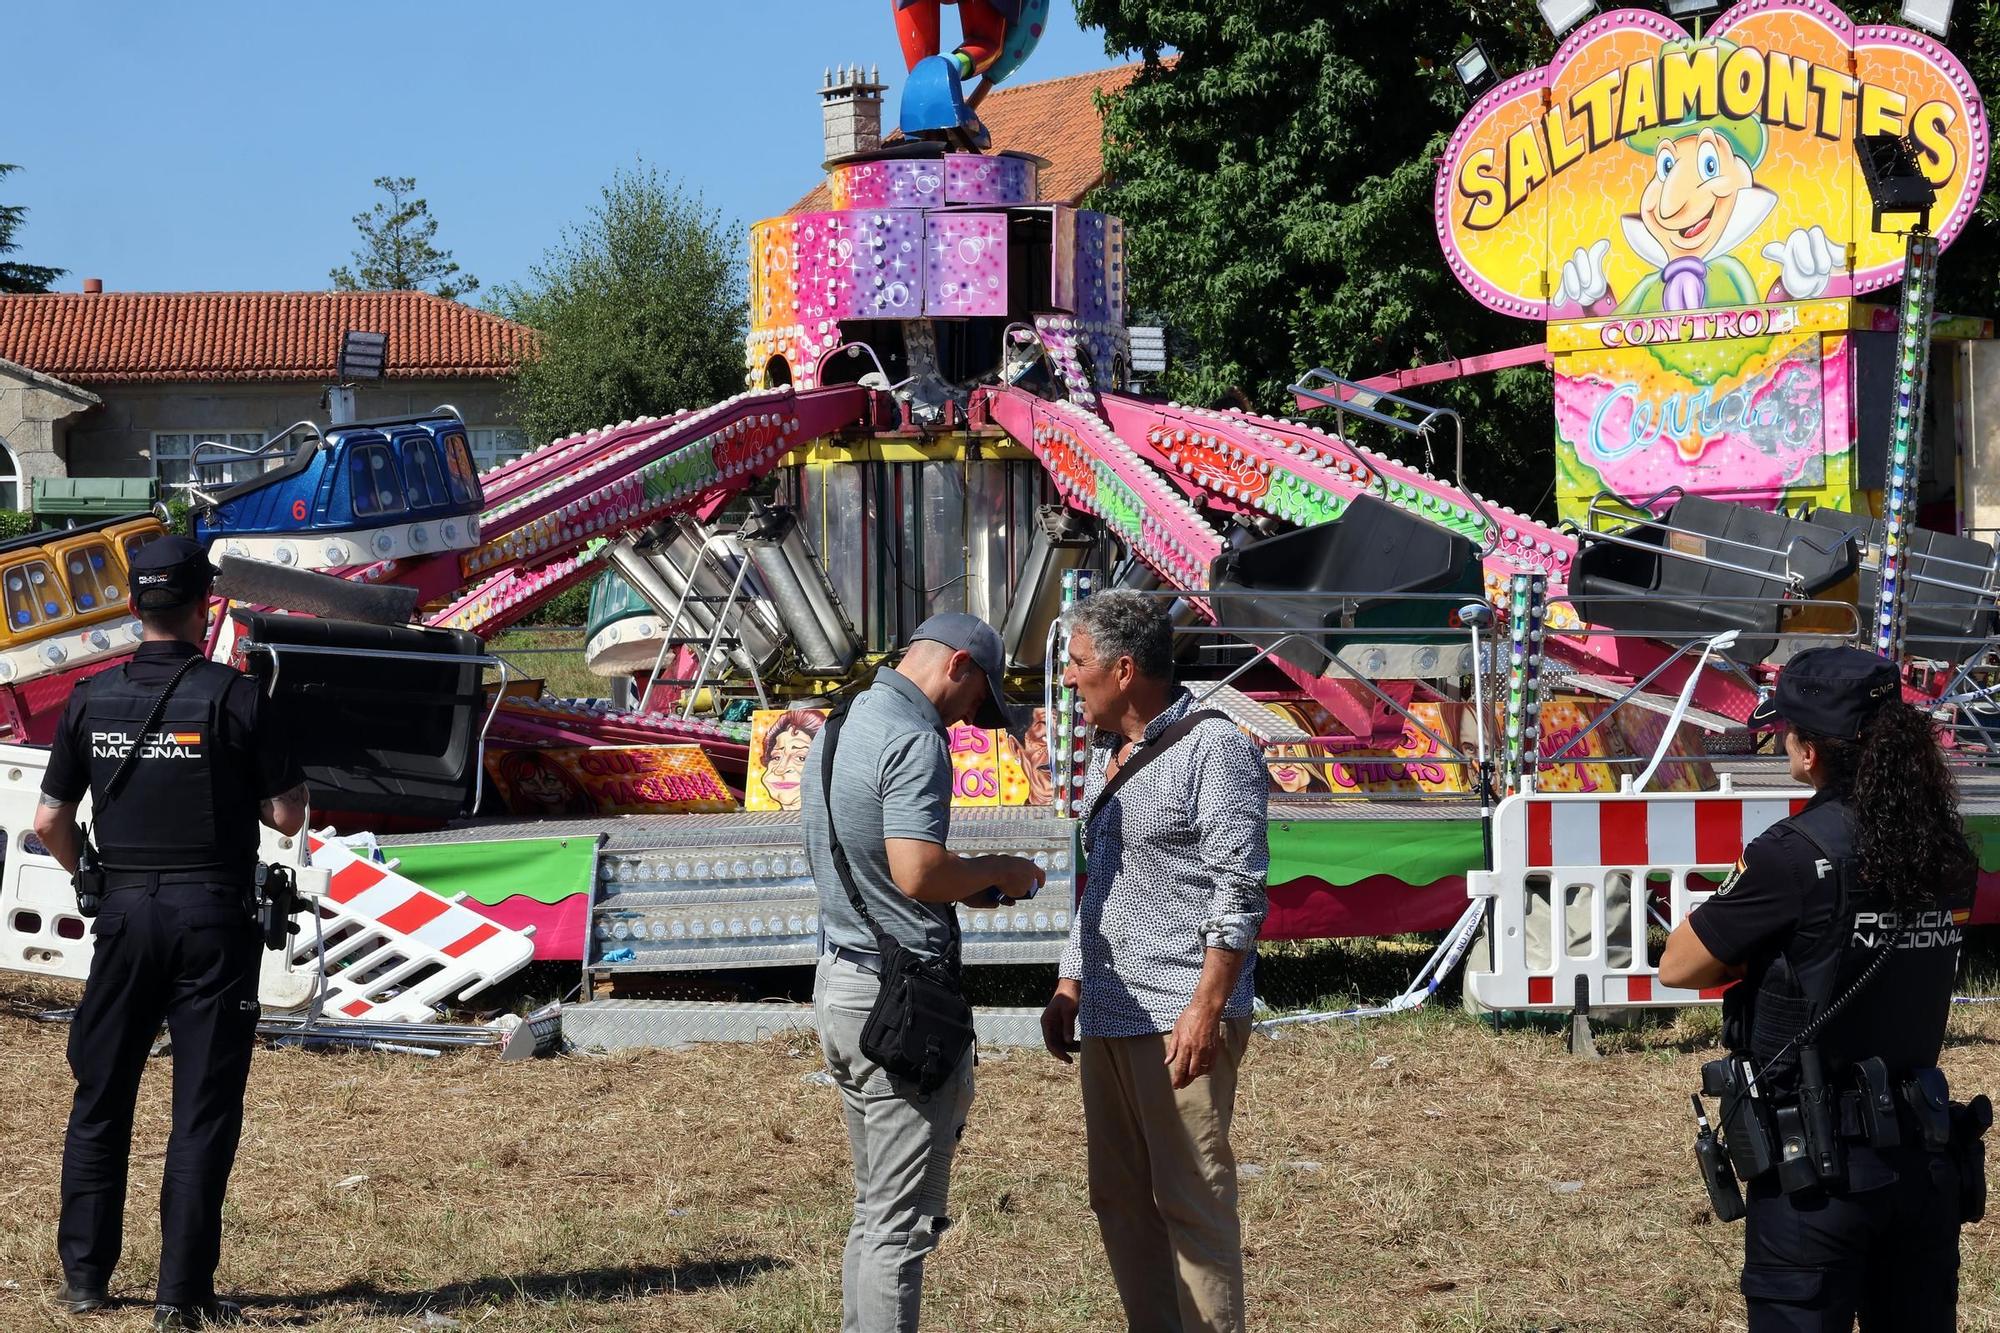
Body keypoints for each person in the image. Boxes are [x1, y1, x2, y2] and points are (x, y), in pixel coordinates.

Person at [1660, 646, 1983, 1332]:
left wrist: (1770, 958)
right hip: (1924, 1159)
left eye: (1786, 734)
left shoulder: (1793, 854)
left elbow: (1679, 965)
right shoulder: (1948, 850)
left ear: (1809, 752)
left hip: (1817, 1172)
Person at [34, 536, 307, 1330]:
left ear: (133, 607)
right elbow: (287, 814)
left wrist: (89, 872)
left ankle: (85, 1278)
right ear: (204, 606)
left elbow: (49, 820)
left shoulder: (89, 697)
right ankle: (180, 1295)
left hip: (123, 915)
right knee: (202, 1106)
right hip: (212, 917)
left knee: (101, 1093)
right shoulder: (237, 696)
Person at [804, 610, 1044, 1333]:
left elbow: (865, 859)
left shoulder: (841, 723)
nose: (970, 717)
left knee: (873, 1209)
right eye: (976, 699)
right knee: (898, 1227)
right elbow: (916, 871)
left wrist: (961, 887)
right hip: (900, 1001)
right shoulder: (914, 737)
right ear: (958, 664)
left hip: (842, 980)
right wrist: (1000, 867)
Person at [1039, 589, 1269, 1333]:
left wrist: (1207, 1006)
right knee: (1119, 1199)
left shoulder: (1215, 748)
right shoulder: (1110, 754)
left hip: (1176, 1013)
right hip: (1109, 1012)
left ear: (1124, 669)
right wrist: (1070, 982)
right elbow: (1102, 882)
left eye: (1078, 662)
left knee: (1190, 1200)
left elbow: (1240, 886)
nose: (1068, 678)